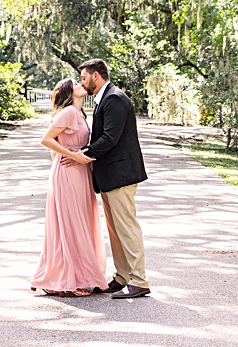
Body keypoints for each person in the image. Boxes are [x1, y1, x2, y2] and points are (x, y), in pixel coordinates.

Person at [66, 58, 151, 299]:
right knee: (115, 230)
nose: (82, 82)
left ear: (95, 76)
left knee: (127, 228)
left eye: (83, 77)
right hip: (109, 176)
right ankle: (123, 276)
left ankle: (140, 280)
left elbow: (110, 138)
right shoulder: (105, 97)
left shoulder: (114, 98)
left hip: (120, 175)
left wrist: (83, 155)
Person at [30, 78, 111, 297]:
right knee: (71, 224)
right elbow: (46, 139)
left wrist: (79, 157)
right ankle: (68, 279)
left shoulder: (81, 114)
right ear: (68, 91)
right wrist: (72, 155)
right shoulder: (67, 113)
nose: (81, 83)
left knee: (80, 222)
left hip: (80, 172)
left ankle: (77, 275)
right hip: (68, 173)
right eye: (76, 82)